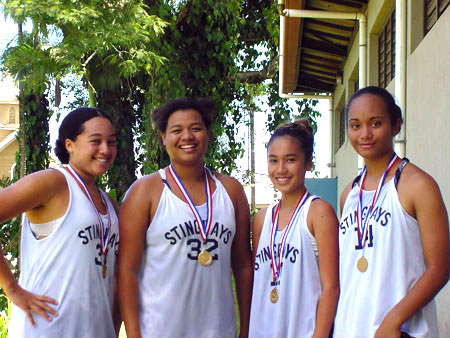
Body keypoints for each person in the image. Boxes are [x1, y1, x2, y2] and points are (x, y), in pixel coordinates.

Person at [118, 98, 253, 338]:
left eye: (196, 128)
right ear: (163, 138)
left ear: (208, 134)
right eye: (176, 130)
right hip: (159, 331)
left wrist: (246, 328)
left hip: (219, 331)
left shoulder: (231, 191)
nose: (187, 136)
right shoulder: (145, 191)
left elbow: (243, 265)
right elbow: (127, 270)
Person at [333, 86, 449, 338]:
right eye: (355, 125)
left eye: (375, 123)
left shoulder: (418, 185)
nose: (365, 134)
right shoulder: (349, 194)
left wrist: (394, 320)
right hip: (351, 328)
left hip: (399, 331)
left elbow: (440, 268)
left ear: (396, 125)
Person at [0, 108, 120, 337]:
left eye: (111, 142)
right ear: (69, 144)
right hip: (46, 328)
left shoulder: (109, 203)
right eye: (95, 141)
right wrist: (12, 289)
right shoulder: (52, 182)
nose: (105, 149)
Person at [248, 119, 339, 338]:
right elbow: (257, 282)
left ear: (308, 163)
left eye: (290, 160)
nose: (281, 169)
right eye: (273, 160)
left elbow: (332, 288)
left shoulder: (319, 213)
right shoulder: (261, 219)